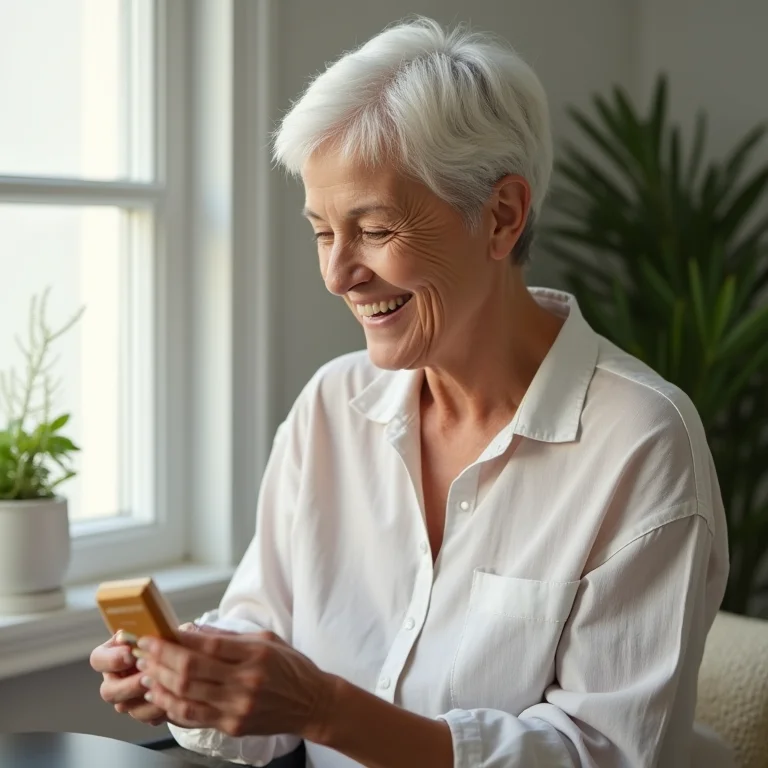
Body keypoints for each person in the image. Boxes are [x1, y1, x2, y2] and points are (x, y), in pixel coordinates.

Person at [90, 17, 733, 768]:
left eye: (373, 228)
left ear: (501, 216)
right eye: (323, 232)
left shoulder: (642, 442)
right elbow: (265, 661)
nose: (338, 275)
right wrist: (193, 681)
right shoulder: (332, 409)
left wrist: (324, 707)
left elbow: (603, 757)